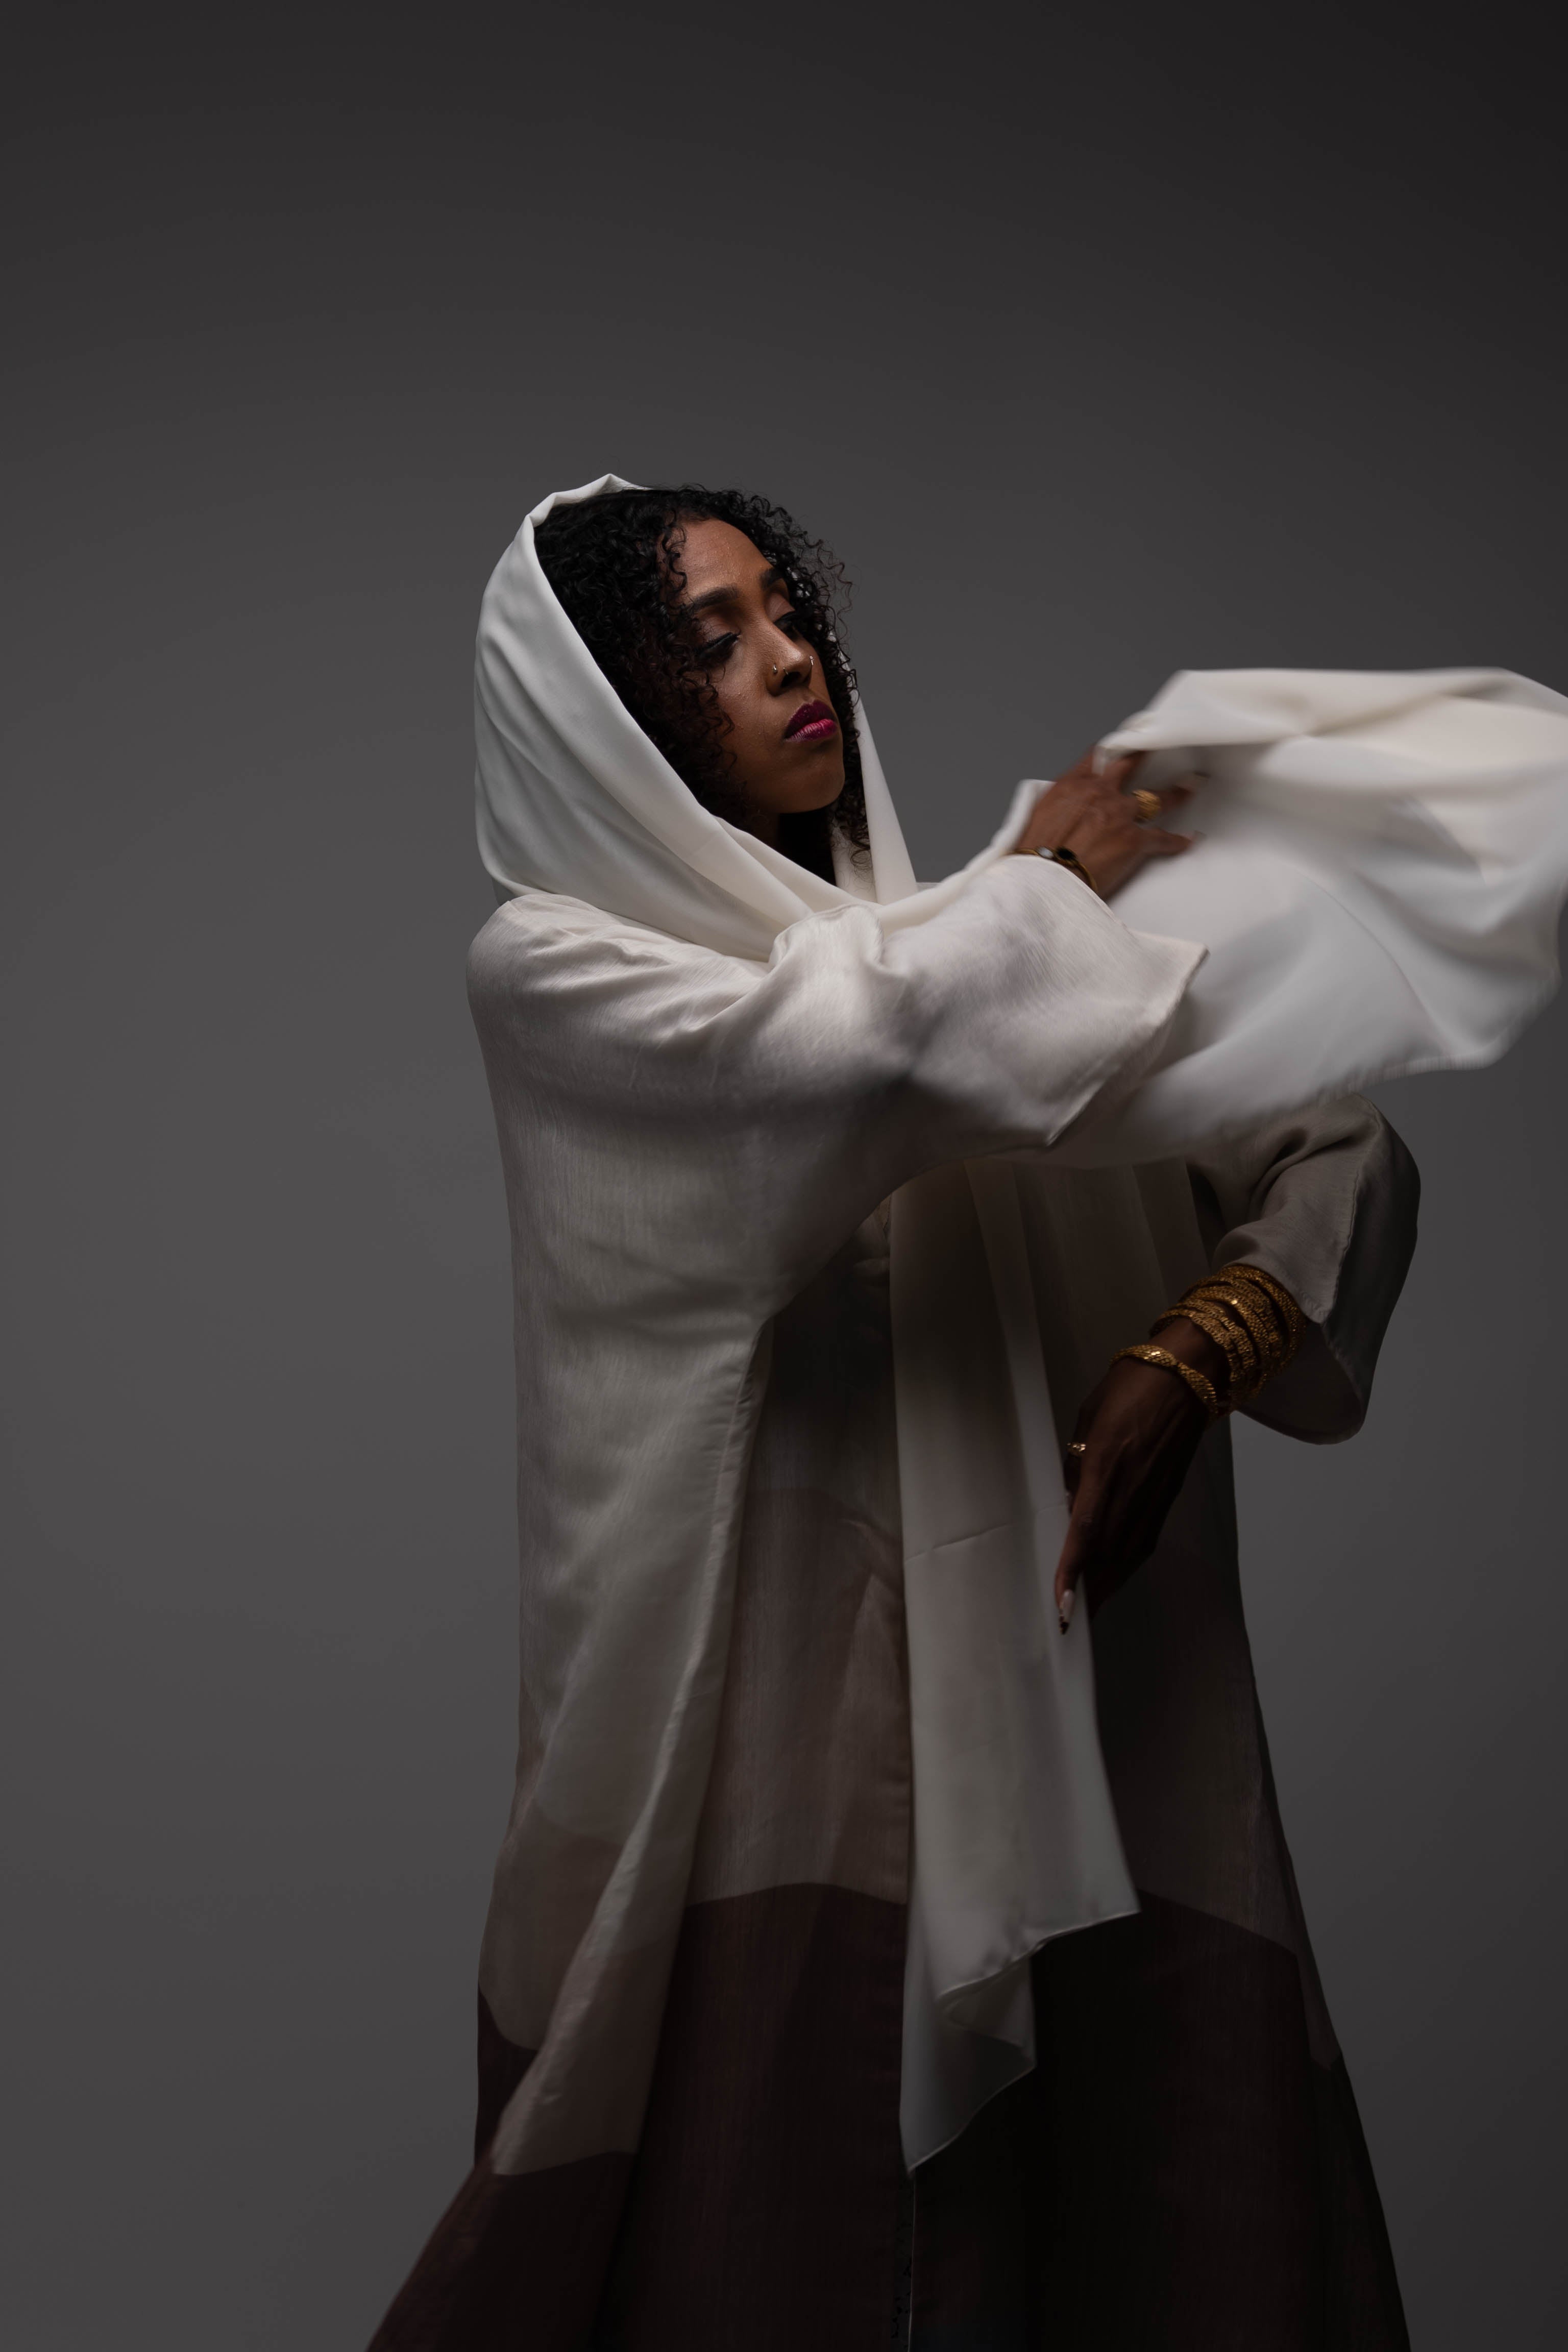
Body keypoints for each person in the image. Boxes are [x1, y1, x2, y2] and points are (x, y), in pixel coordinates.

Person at [369, 479, 1507, 2351]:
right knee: (745, 2250)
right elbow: (867, 1058)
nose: (787, 655)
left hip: (1084, 1736)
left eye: (785, 607)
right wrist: (1051, 894)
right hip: (757, 1777)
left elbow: (1336, 1143)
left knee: (1147, 2235)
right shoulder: (574, 974)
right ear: (607, 725)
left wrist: (1196, 1348)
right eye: (711, 640)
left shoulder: (1003, 963)